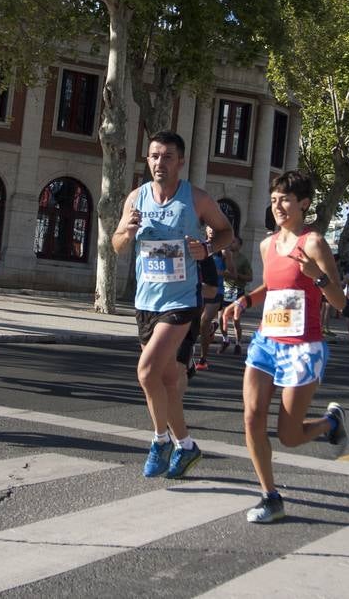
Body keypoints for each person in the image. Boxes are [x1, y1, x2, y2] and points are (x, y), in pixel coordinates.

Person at [220, 170, 349, 524]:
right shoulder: (267, 244)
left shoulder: (314, 243)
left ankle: (330, 422)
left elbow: (339, 302)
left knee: (289, 436)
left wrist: (317, 276)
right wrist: (244, 301)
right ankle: (269, 496)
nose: (277, 205)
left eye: (285, 200)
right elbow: (272, 287)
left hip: (303, 347)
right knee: (251, 417)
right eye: (274, 199)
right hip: (266, 341)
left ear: (304, 204)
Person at [112, 131, 233, 480]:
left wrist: (207, 250)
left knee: (146, 371)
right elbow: (118, 245)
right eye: (153, 156)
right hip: (145, 302)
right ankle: (186, 445)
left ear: (180, 161)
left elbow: (226, 233)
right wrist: (128, 232)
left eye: (167, 157)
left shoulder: (196, 199)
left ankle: (159, 440)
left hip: (181, 302)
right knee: (166, 381)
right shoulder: (136, 199)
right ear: (147, 160)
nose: (159, 163)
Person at [195, 226, 226, 371]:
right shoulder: (200, 246)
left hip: (217, 290)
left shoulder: (224, 251)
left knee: (204, 321)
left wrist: (218, 272)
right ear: (205, 230)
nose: (212, 230)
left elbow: (232, 272)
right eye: (209, 228)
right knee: (195, 324)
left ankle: (203, 358)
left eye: (215, 228)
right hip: (201, 289)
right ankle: (210, 330)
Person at [217, 236, 253, 355]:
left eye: (233, 242)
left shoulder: (243, 259)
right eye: (230, 241)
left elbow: (250, 277)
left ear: (239, 245)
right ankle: (225, 340)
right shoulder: (223, 257)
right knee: (221, 318)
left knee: (236, 320)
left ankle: (238, 343)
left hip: (237, 291)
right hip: (224, 290)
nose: (231, 244)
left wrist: (237, 275)